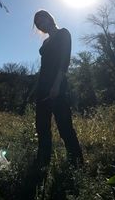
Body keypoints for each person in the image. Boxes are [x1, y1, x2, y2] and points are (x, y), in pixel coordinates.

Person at [33, 9, 83, 169]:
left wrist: (56, 85)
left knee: (64, 127)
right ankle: (43, 162)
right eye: (38, 23)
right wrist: (37, 88)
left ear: (50, 18)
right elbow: (44, 67)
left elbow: (64, 61)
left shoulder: (63, 33)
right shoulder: (45, 43)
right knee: (42, 128)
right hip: (42, 89)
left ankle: (77, 164)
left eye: (42, 20)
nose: (41, 24)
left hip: (57, 88)